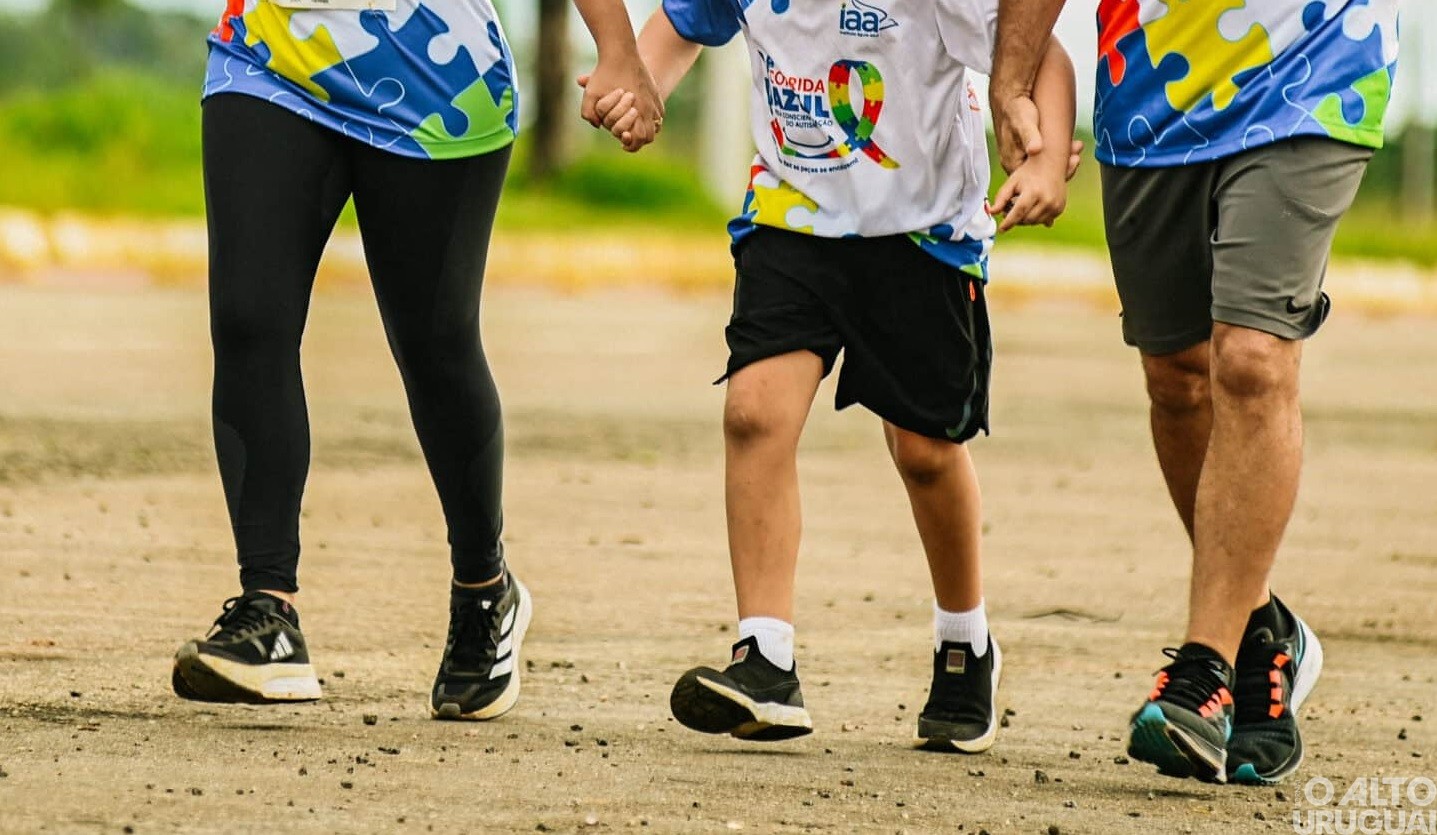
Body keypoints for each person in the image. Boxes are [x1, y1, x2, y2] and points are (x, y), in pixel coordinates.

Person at [591, 0, 1080, 749]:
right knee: (753, 413)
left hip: (923, 235)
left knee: (924, 451)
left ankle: (964, 641)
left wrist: (1045, 160)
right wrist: (639, 90)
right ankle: (766, 657)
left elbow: (1043, 57)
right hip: (792, 218)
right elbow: (683, 25)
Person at [170, 0, 663, 718]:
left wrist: (616, 46)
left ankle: (483, 590)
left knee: (435, 348)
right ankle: (267, 611)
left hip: (438, 78)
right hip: (270, 53)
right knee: (249, 319)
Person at [1086, 0, 1398, 784]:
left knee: (1251, 358)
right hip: (1148, 76)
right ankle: (1263, 631)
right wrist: (1015, 76)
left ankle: (1202, 674)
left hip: (1317, 59)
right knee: (1176, 379)